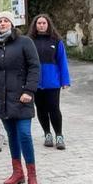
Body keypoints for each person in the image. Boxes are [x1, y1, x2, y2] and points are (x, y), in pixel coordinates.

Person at [0, 12, 41, 184]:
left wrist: (29, 91)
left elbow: (34, 67)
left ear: (12, 23)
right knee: (12, 136)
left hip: (21, 97)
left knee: (24, 134)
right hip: (2, 98)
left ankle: (32, 176)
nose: (2, 23)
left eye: (5, 20)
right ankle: (18, 173)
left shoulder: (25, 42)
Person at [29, 13, 72, 150]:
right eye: (39, 23)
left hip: (52, 82)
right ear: (35, 26)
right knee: (41, 109)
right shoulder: (29, 41)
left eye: (44, 23)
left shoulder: (56, 41)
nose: (41, 25)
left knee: (54, 108)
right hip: (36, 81)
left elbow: (62, 61)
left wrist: (65, 80)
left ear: (48, 25)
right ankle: (47, 134)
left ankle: (59, 135)